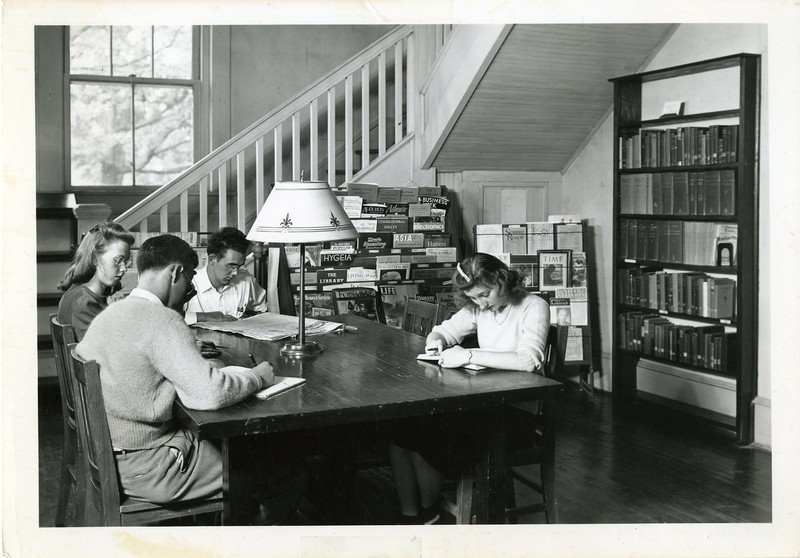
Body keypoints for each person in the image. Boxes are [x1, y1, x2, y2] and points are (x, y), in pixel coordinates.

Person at [76, 234, 275, 508]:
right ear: (176, 272)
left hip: (109, 457)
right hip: (153, 469)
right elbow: (209, 394)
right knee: (273, 460)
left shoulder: (111, 313)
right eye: (189, 282)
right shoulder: (164, 319)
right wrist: (257, 377)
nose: (187, 292)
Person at [389, 253, 550, 524]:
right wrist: (437, 340)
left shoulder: (533, 306)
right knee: (400, 435)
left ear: (501, 279)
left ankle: (432, 513)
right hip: (483, 402)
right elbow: (445, 330)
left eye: (485, 294)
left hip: (516, 411)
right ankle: (410, 515)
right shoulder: (479, 306)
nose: (481, 303)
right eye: (474, 298)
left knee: (425, 435)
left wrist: (468, 355)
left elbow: (529, 359)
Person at [57, 222, 135, 340]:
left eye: (126, 261)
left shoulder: (78, 292)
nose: (124, 268)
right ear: (94, 259)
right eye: (118, 260)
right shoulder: (84, 303)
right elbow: (102, 353)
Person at [184, 226, 268, 324]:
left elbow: (263, 311)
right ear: (212, 259)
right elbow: (167, 318)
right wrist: (203, 317)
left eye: (239, 266)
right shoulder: (188, 283)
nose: (235, 273)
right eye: (230, 266)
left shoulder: (246, 280)